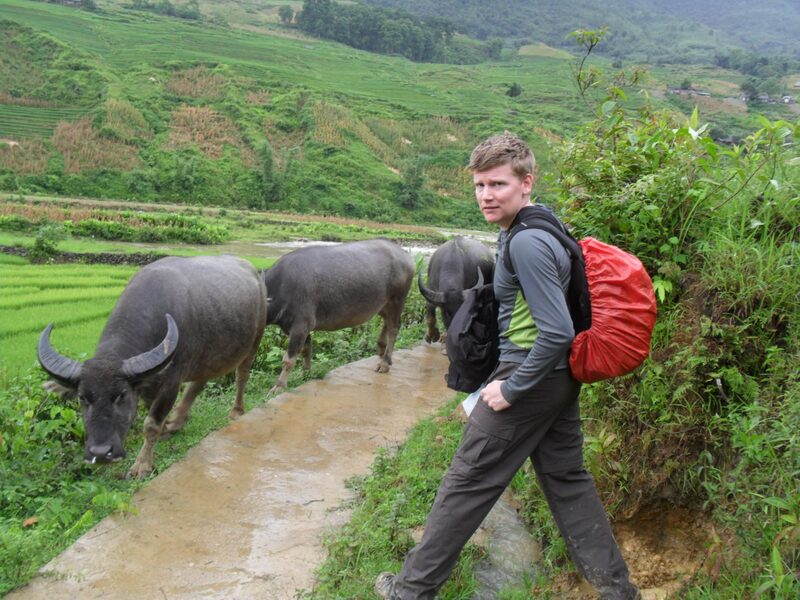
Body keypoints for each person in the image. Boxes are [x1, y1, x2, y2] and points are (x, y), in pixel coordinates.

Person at [375, 132, 639, 599]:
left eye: (497, 184)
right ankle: (618, 591)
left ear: (526, 182)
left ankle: (409, 591)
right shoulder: (542, 226)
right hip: (555, 380)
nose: (485, 195)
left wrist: (512, 388)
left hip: (529, 377)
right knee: (567, 481)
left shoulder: (526, 243)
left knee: (467, 482)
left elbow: (556, 331)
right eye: (479, 185)